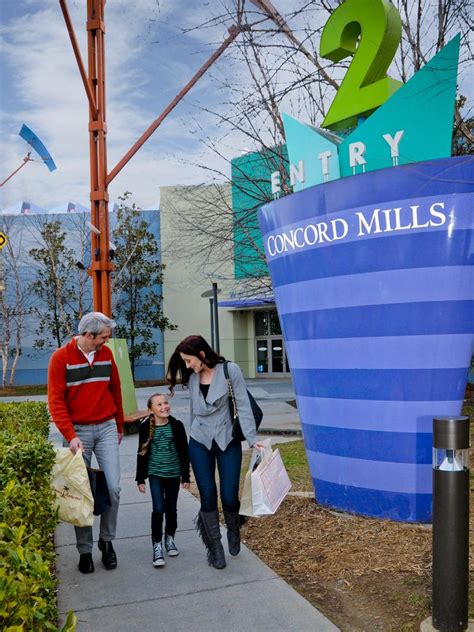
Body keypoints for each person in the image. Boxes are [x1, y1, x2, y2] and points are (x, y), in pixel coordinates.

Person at [167, 335, 265, 570]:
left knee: (229, 495)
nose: (187, 365)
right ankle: (215, 547)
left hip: (227, 438)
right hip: (199, 440)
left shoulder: (230, 371)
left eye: (189, 360)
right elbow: (193, 412)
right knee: (208, 495)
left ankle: (233, 528)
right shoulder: (192, 377)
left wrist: (252, 439)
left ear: (201, 355)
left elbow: (242, 404)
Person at [48, 311, 124, 574]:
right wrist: (70, 436)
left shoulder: (107, 355)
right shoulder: (61, 358)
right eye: (103, 337)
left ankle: (106, 541)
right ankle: (85, 551)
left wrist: (120, 424)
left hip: (105, 428)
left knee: (113, 488)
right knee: (82, 493)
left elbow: (115, 390)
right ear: (89, 335)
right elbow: (56, 402)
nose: (107, 340)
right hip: (77, 433)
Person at [135, 393, 190, 567]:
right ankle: (157, 545)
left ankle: (170, 538)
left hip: (173, 474)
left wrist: (185, 476)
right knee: (158, 509)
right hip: (155, 474)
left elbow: (184, 452)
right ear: (151, 410)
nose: (164, 406)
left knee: (171, 509)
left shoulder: (177, 425)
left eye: (166, 403)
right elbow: (141, 453)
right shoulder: (145, 427)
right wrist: (140, 479)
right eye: (159, 404)